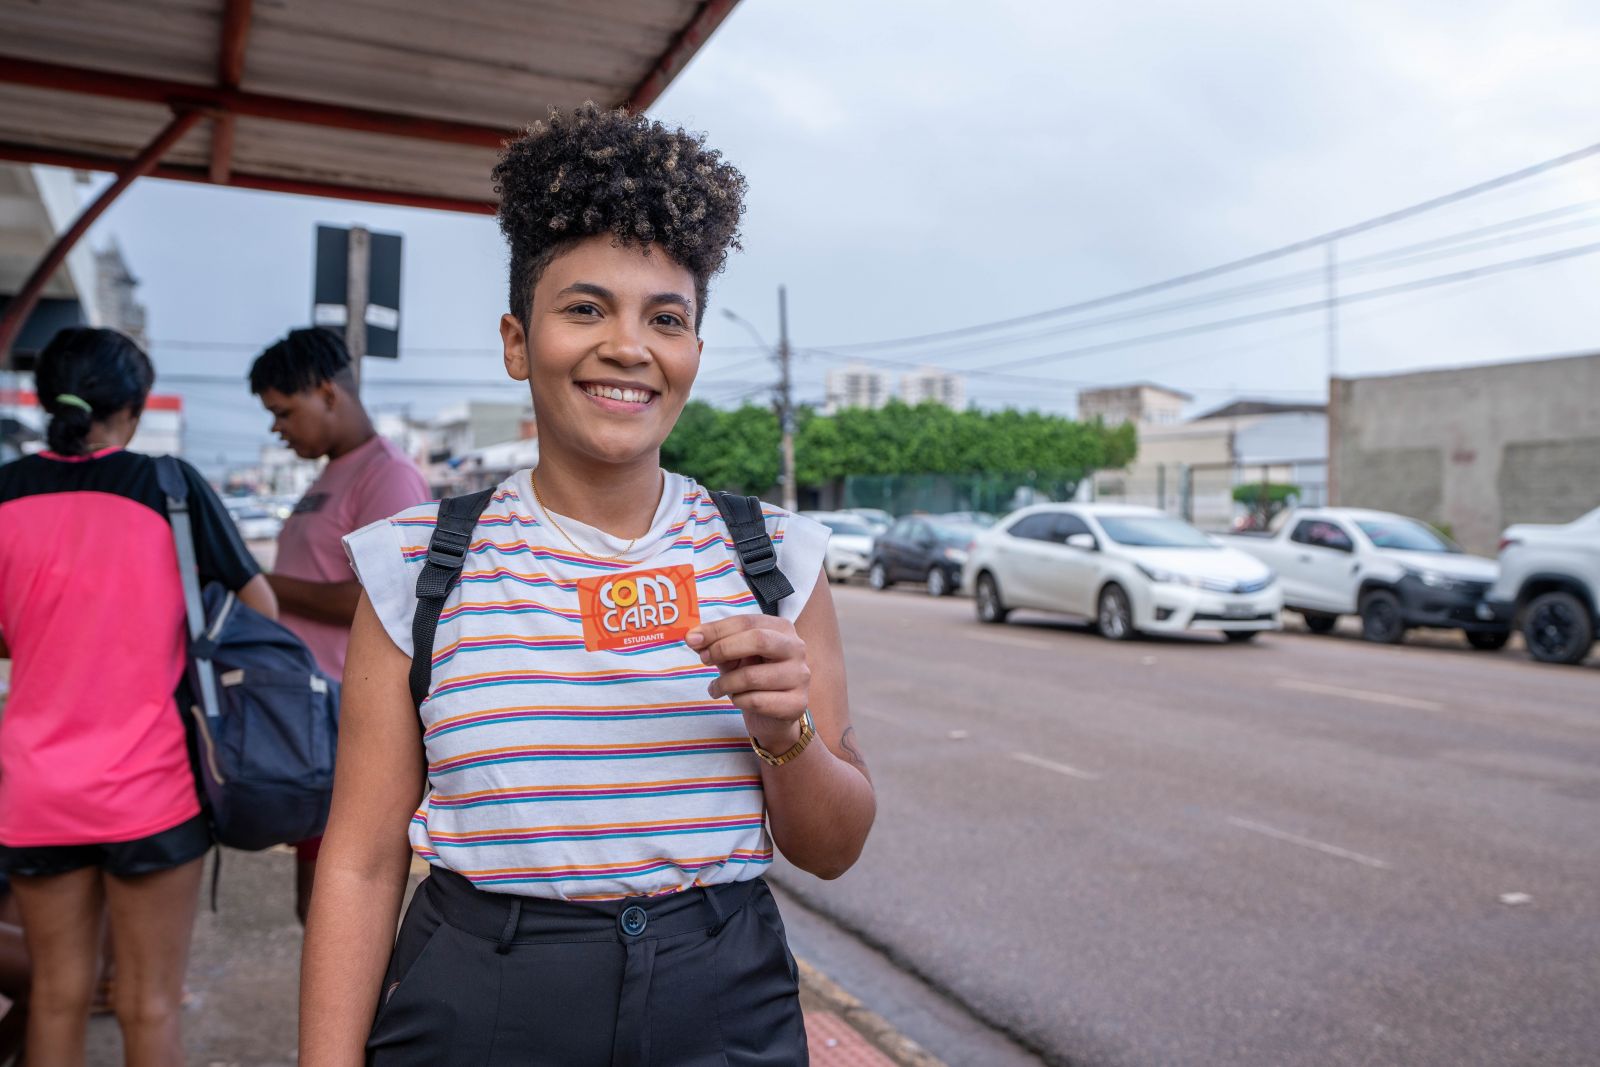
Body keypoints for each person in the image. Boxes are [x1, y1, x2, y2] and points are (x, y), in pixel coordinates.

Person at [299, 105, 877, 1066]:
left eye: (667, 317)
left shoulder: (774, 557)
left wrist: (789, 736)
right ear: (518, 343)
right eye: (584, 308)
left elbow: (833, 846)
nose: (628, 345)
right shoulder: (414, 569)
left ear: (693, 349)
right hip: (481, 998)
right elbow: (360, 864)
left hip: (723, 1000)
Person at [0, 327, 277, 1066]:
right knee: (149, 1005)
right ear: (133, 404)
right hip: (151, 789)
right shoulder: (169, 486)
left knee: (56, 996)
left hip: (36, 793)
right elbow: (261, 609)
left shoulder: (6, 491)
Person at [249, 328, 431, 923]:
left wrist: (260, 585)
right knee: (319, 901)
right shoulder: (333, 473)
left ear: (327, 392)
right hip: (311, 712)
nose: (278, 428)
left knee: (341, 900)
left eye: (283, 411)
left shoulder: (387, 475)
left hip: (347, 716)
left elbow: (386, 599)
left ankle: (363, 1017)